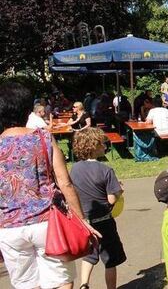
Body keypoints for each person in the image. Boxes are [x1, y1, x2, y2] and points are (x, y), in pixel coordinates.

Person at [0, 82, 100, 289]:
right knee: (61, 282)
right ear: (28, 109)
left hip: (9, 227)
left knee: (26, 285)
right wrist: (81, 220)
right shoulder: (43, 138)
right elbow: (65, 182)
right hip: (49, 222)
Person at [70, 128, 126, 289]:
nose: (105, 146)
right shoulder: (105, 170)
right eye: (102, 143)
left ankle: (84, 284)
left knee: (89, 255)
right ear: (94, 146)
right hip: (104, 221)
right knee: (110, 260)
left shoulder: (75, 169)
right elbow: (111, 198)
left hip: (85, 221)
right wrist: (119, 190)